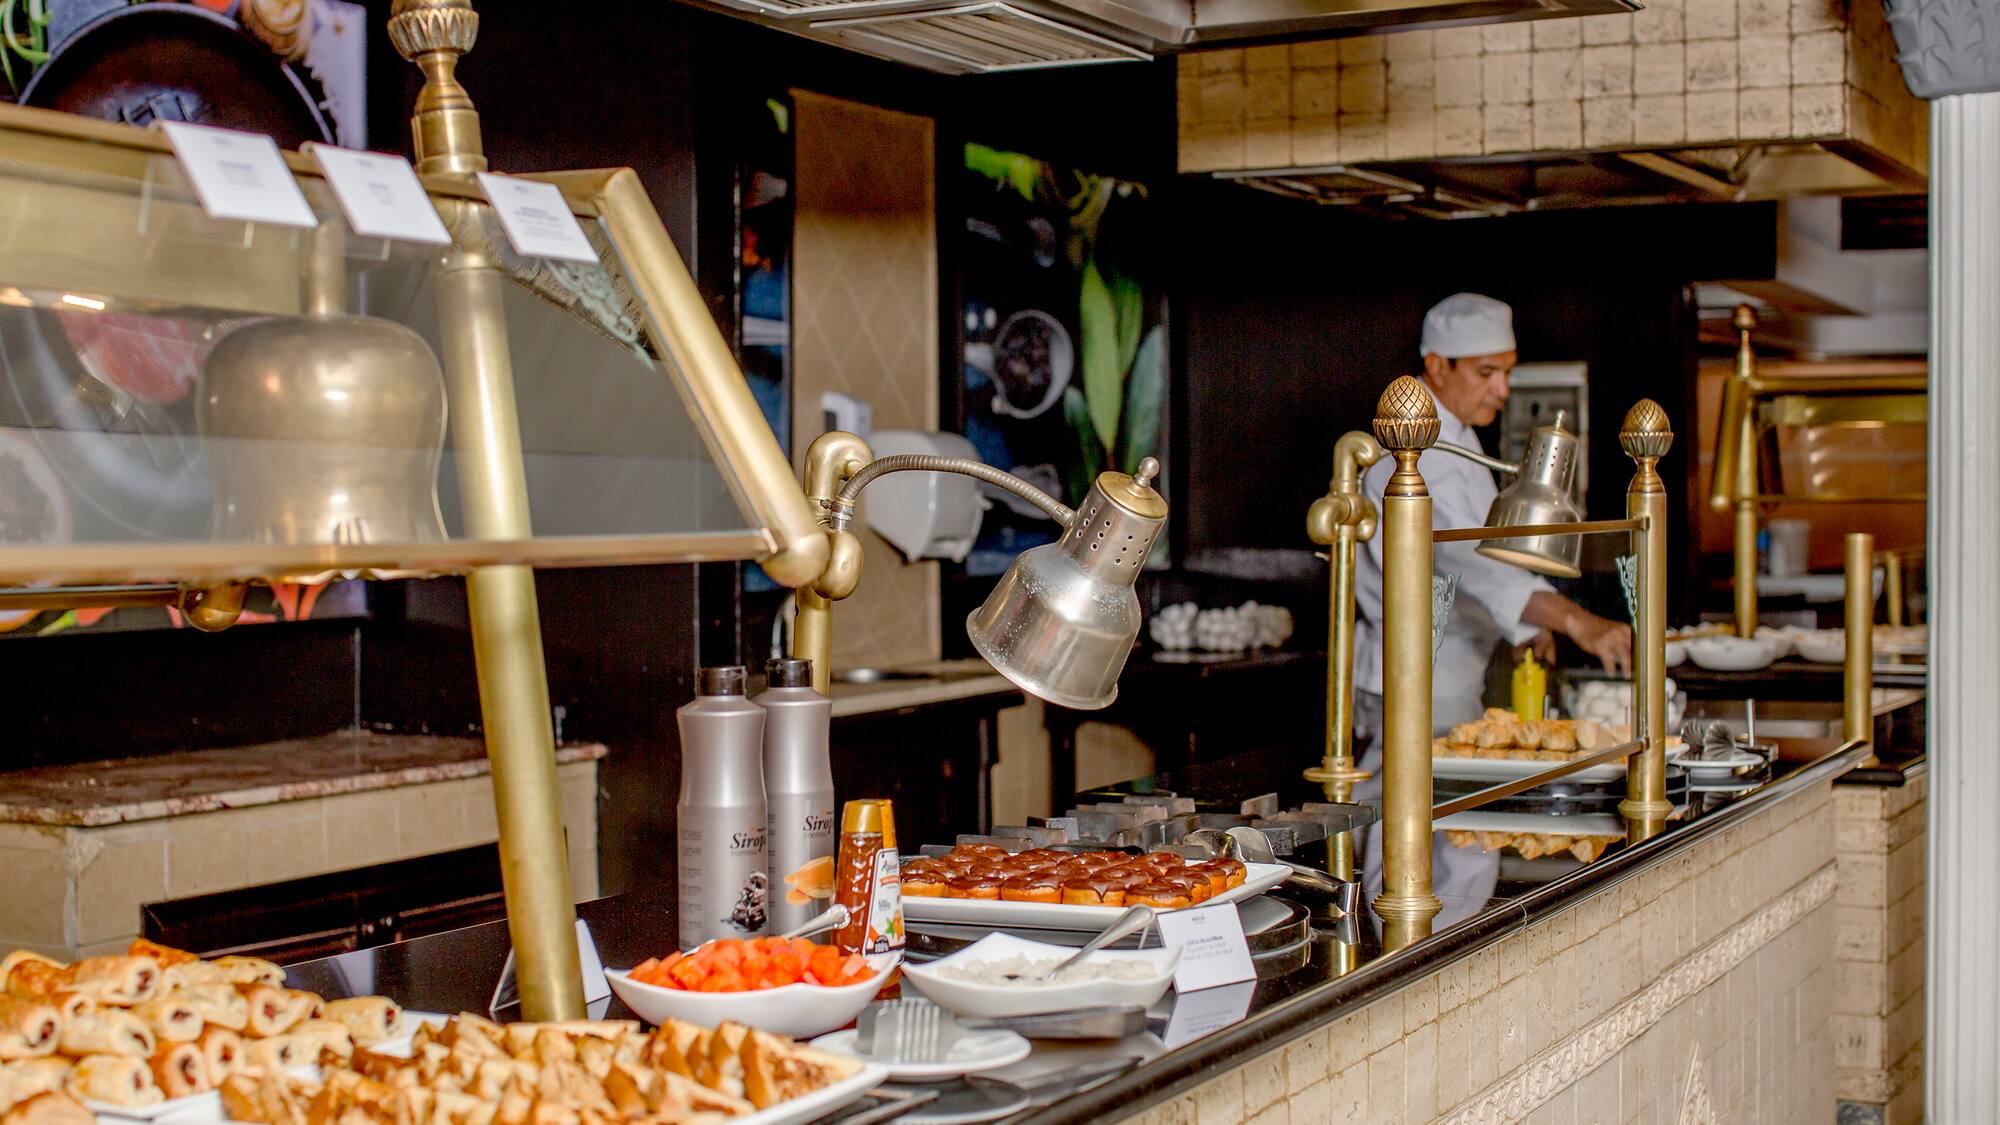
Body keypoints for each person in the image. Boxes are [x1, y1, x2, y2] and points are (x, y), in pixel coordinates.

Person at [1353, 292, 1632, 735]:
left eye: (1507, 371)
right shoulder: (1413, 450)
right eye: (1487, 373)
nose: (1502, 390)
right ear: (1439, 365)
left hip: (1450, 674)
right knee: (1402, 801)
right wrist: (1575, 620)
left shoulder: (1458, 434)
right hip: (1411, 677)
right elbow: (1469, 558)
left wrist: (1527, 628)